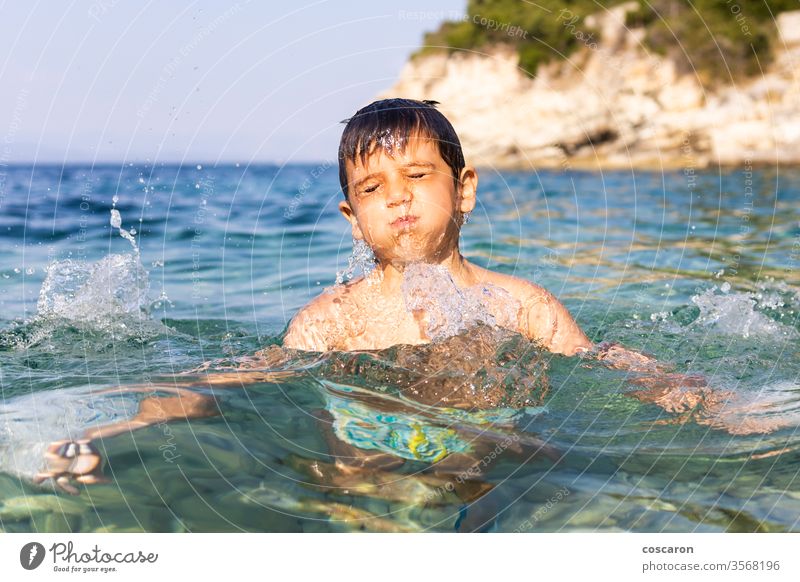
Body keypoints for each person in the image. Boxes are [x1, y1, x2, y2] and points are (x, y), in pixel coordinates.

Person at [30, 99, 785, 497]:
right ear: (350, 218)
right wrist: (120, 426)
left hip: (497, 469)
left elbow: (615, 365)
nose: (398, 201)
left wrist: (710, 401)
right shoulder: (331, 320)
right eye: (372, 189)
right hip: (360, 473)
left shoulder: (523, 307)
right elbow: (229, 382)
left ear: (465, 192)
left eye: (418, 178)